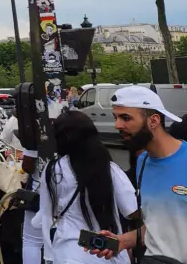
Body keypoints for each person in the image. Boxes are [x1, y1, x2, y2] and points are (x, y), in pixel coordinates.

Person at [89, 86, 187, 262]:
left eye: (126, 118)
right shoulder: (143, 162)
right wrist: (121, 241)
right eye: (116, 117)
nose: (117, 125)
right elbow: (159, 225)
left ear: (154, 120)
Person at [33, 110, 138, 264]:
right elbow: (131, 211)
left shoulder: (53, 170)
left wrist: (48, 254)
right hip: (105, 250)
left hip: (67, 250)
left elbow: (48, 213)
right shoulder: (109, 169)